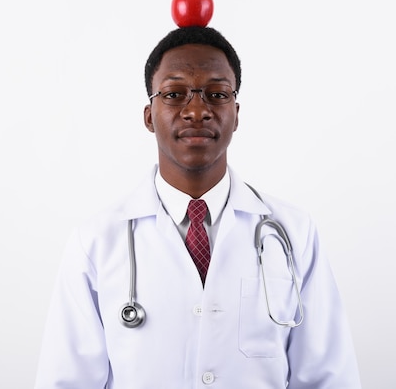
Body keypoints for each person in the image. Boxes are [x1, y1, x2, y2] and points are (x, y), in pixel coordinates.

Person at [34, 26, 361, 388]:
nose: (196, 110)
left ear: (236, 114)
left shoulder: (294, 232)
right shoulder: (95, 242)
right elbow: (67, 381)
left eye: (216, 94)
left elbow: (328, 378)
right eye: (175, 94)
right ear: (148, 115)